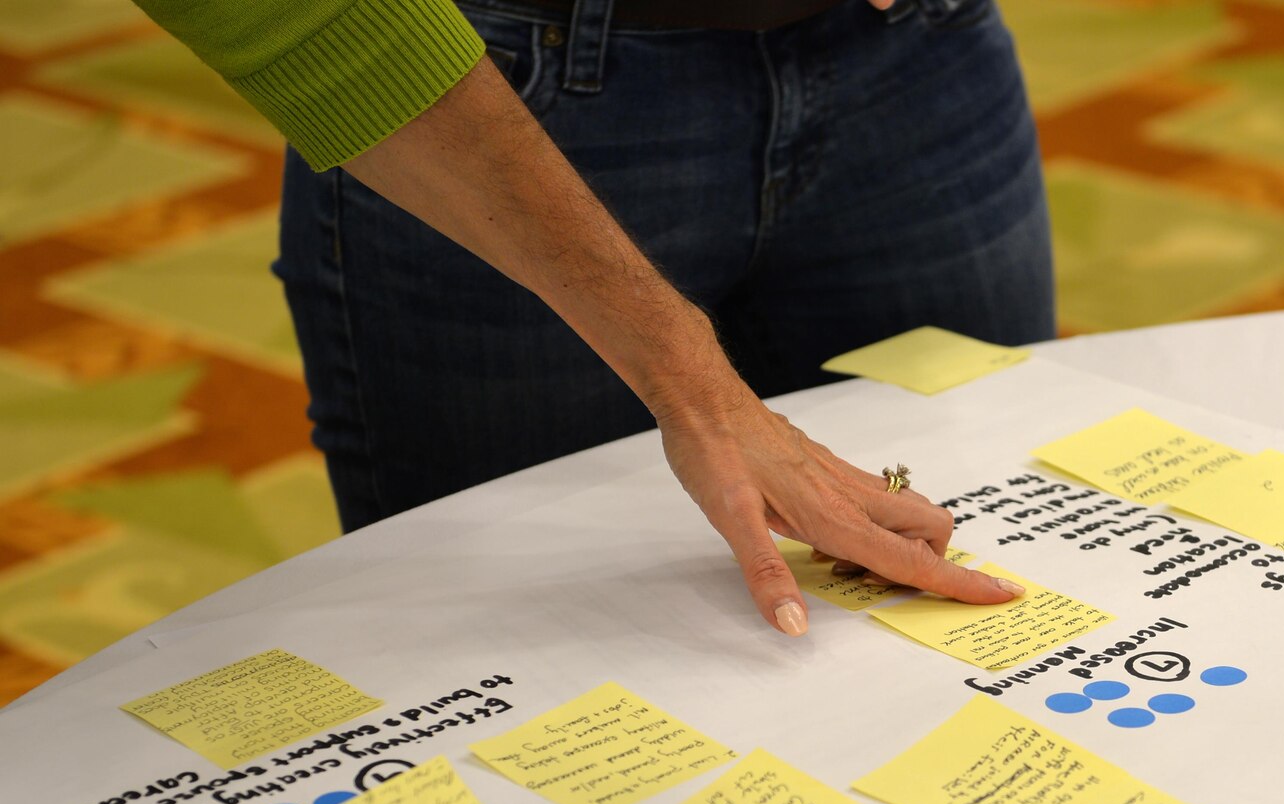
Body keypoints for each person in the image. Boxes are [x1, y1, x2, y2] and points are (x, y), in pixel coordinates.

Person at [136, 0, 1053, 636]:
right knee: (529, 663)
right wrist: (687, 373)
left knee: (970, 547)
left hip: (923, 52)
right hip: (481, 87)